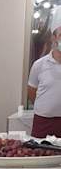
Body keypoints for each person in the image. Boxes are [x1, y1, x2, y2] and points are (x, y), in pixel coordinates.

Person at [28, 7, 61, 137]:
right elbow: (32, 92)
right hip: (43, 121)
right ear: (54, 38)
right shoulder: (39, 65)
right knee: (39, 149)